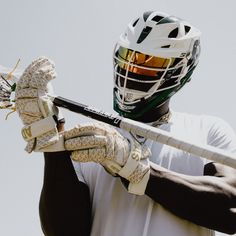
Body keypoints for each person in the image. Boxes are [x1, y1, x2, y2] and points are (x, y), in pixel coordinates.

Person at [15, 11, 236, 236]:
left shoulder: (208, 130)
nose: (132, 70)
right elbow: (65, 232)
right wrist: (51, 141)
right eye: (129, 57)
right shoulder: (93, 143)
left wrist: (138, 170)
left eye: (150, 63)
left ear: (180, 71)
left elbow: (231, 211)